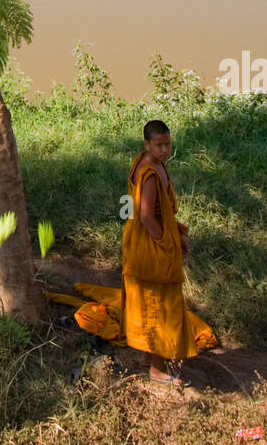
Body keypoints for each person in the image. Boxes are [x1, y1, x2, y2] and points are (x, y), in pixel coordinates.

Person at [44, 119, 218, 385]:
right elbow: (148, 216)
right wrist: (166, 244)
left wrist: (176, 235)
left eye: (167, 144)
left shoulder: (154, 164)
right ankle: (158, 369)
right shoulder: (148, 173)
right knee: (161, 305)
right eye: (158, 145)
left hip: (145, 240)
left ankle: (148, 357)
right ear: (146, 144)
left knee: (149, 300)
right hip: (150, 242)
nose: (164, 150)